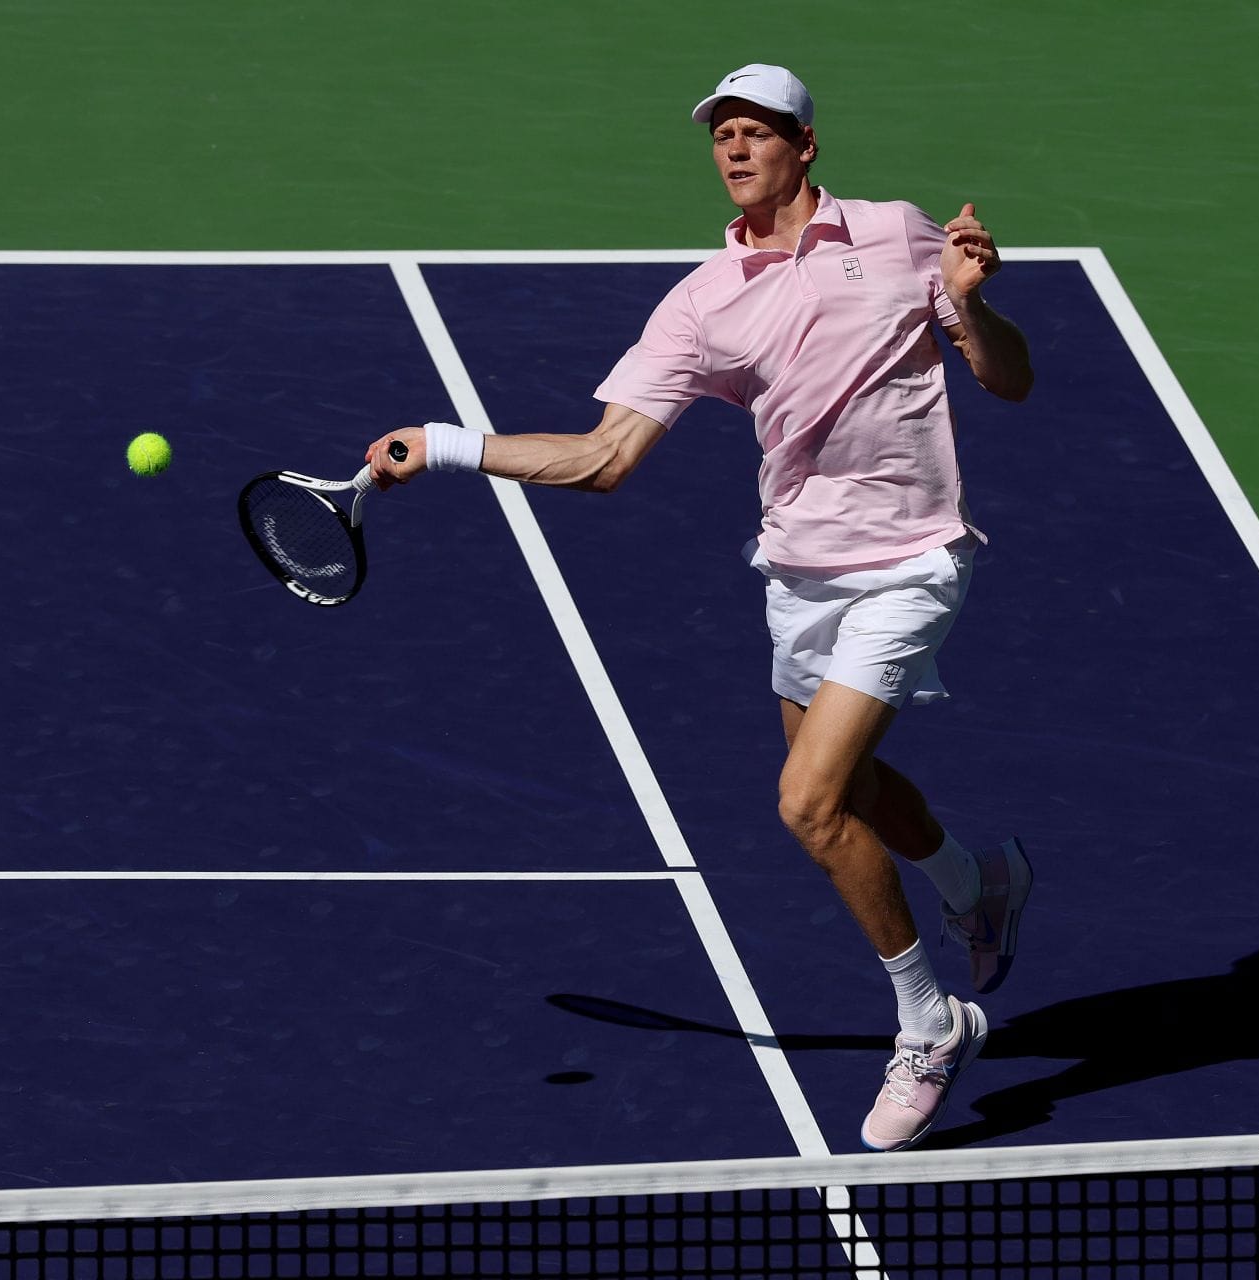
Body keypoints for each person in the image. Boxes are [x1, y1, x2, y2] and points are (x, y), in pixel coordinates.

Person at [365, 63, 1036, 1152]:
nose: (734, 148)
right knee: (854, 782)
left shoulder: (901, 234)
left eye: (757, 131)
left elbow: (1009, 381)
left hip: (914, 557)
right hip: (799, 570)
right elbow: (601, 457)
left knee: (810, 803)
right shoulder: (701, 303)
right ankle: (978, 880)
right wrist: (445, 445)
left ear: (806, 145)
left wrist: (966, 302)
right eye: (722, 132)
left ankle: (930, 1019)